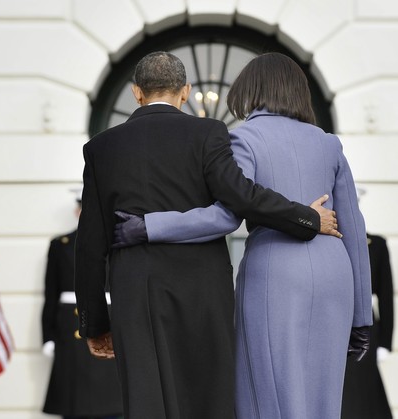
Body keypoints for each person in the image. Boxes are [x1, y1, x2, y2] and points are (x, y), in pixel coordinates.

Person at [74, 51, 341, 419]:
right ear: (185, 91)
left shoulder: (101, 147)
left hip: (136, 292)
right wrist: (306, 217)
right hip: (202, 289)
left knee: (147, 404)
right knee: (209, 401)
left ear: (137, 92)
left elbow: (90, 244)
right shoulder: (208, 133)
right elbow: (242, 197)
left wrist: (94, 323)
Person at [41, 192, 123, 419]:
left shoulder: (117, 243)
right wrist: (48, 336)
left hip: (109, 321)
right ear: (77, 212)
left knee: (111, 399)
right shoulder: (61, 245)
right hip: (71, 325)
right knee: (74, 400)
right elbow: (51, 294)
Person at [341, 189, 394, 419]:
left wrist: (386, 342)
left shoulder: (376, 245)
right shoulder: (331, 243)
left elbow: (386, 295)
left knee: (365, 393)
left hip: (365, 326)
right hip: (335, 324)